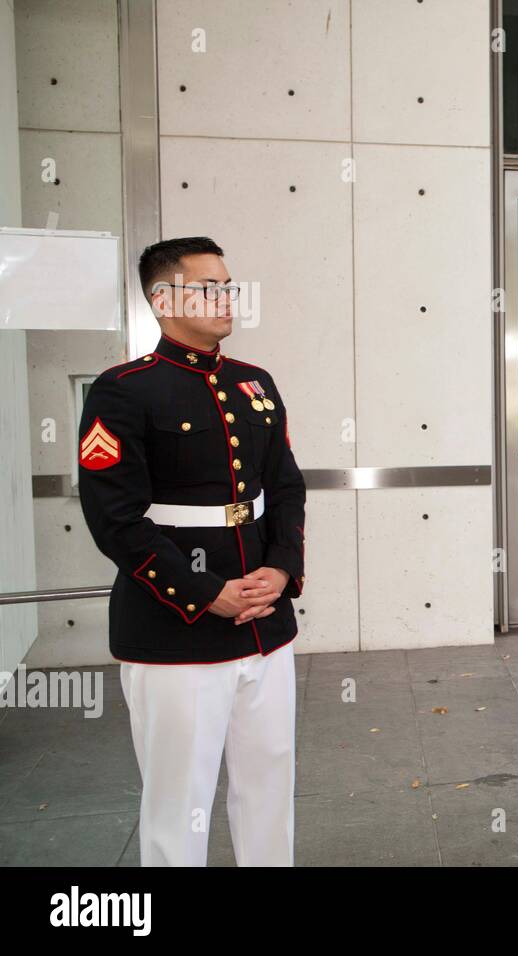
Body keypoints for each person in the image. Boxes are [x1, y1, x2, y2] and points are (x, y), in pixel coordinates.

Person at [77, 236, 306, 866]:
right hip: (174, 629)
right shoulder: (123, 391)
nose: (226, 299)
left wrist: (282, 570)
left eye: (228, 286)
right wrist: (206, 593)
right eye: (208, 287)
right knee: (180, 804)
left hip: (264, 624)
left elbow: (284, 487)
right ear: (161, 299)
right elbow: (115, 519)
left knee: (270, 787)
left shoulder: (254, 383)